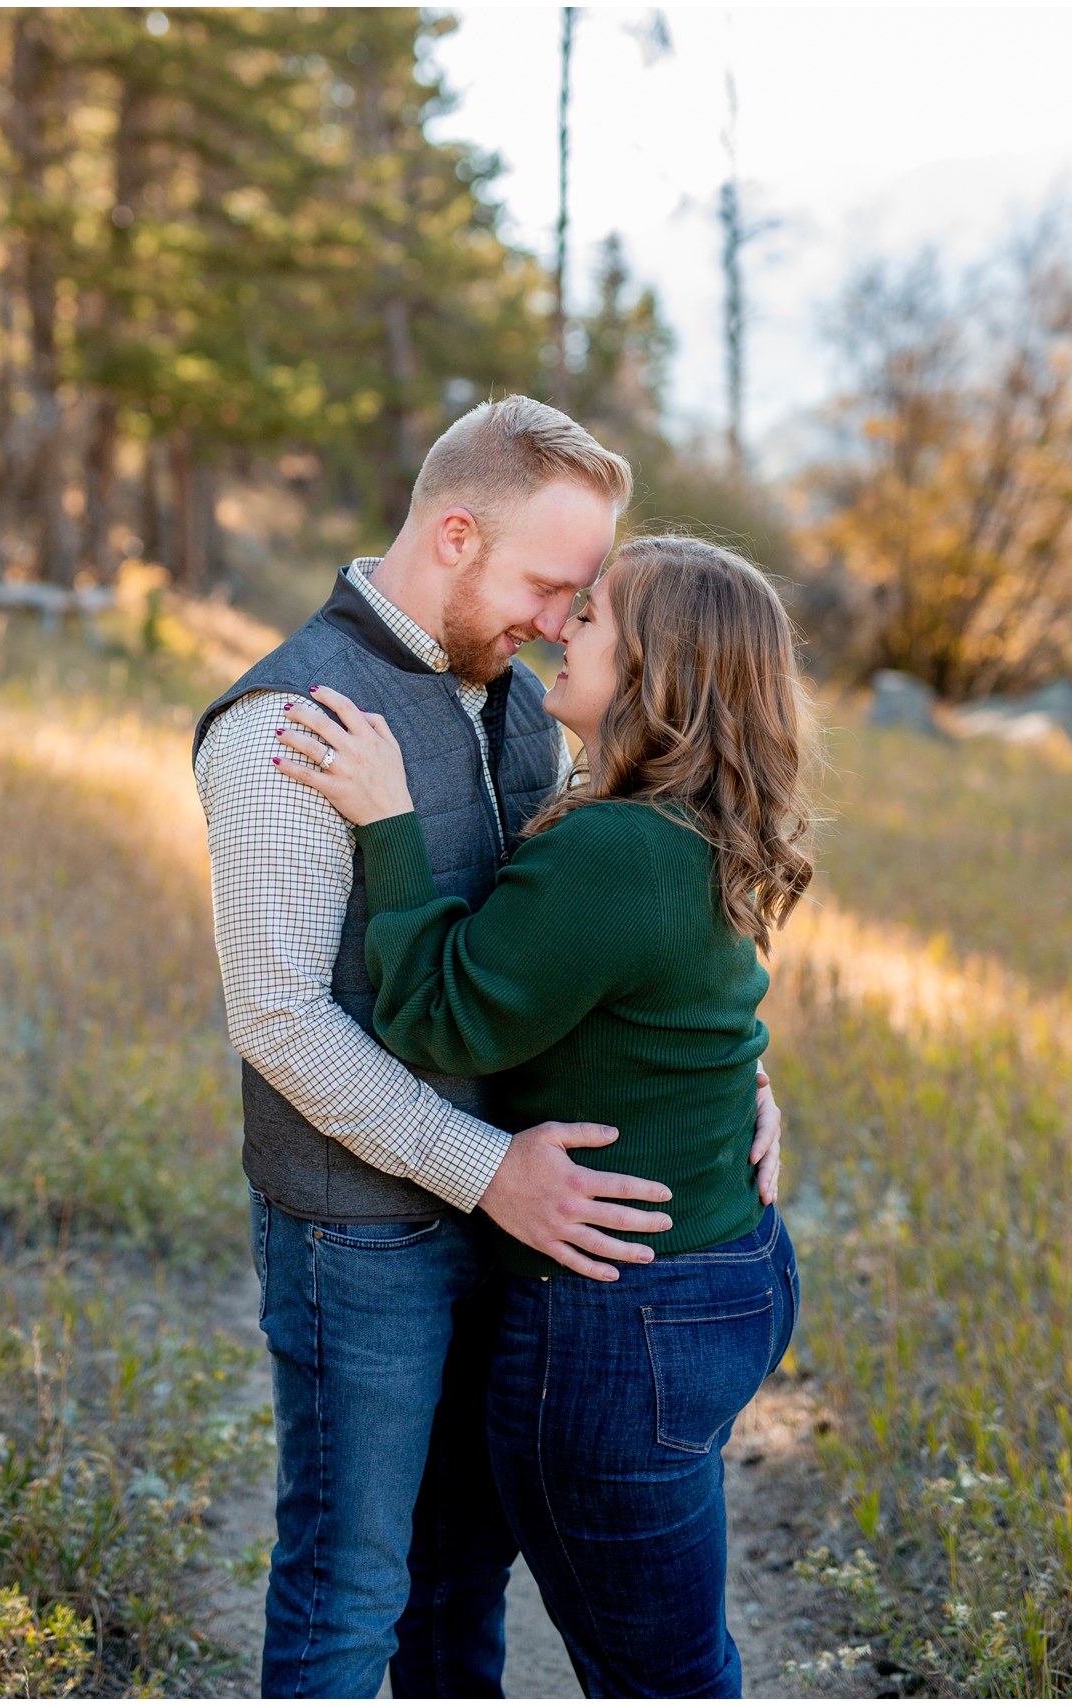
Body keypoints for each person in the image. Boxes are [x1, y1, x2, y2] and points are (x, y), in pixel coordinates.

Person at [190, 397, 783, 1698]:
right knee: (353, 1580)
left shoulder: (520, 706)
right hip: (368, 1234)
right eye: (548, 586)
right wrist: (482, 1166)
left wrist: (739, 1074)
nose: (560, 622)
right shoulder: (286, 722)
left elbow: (627, 931)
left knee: (463, 1576)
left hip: (526, 1244)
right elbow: (280, 1019)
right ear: (455, 535)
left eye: (584, 604)